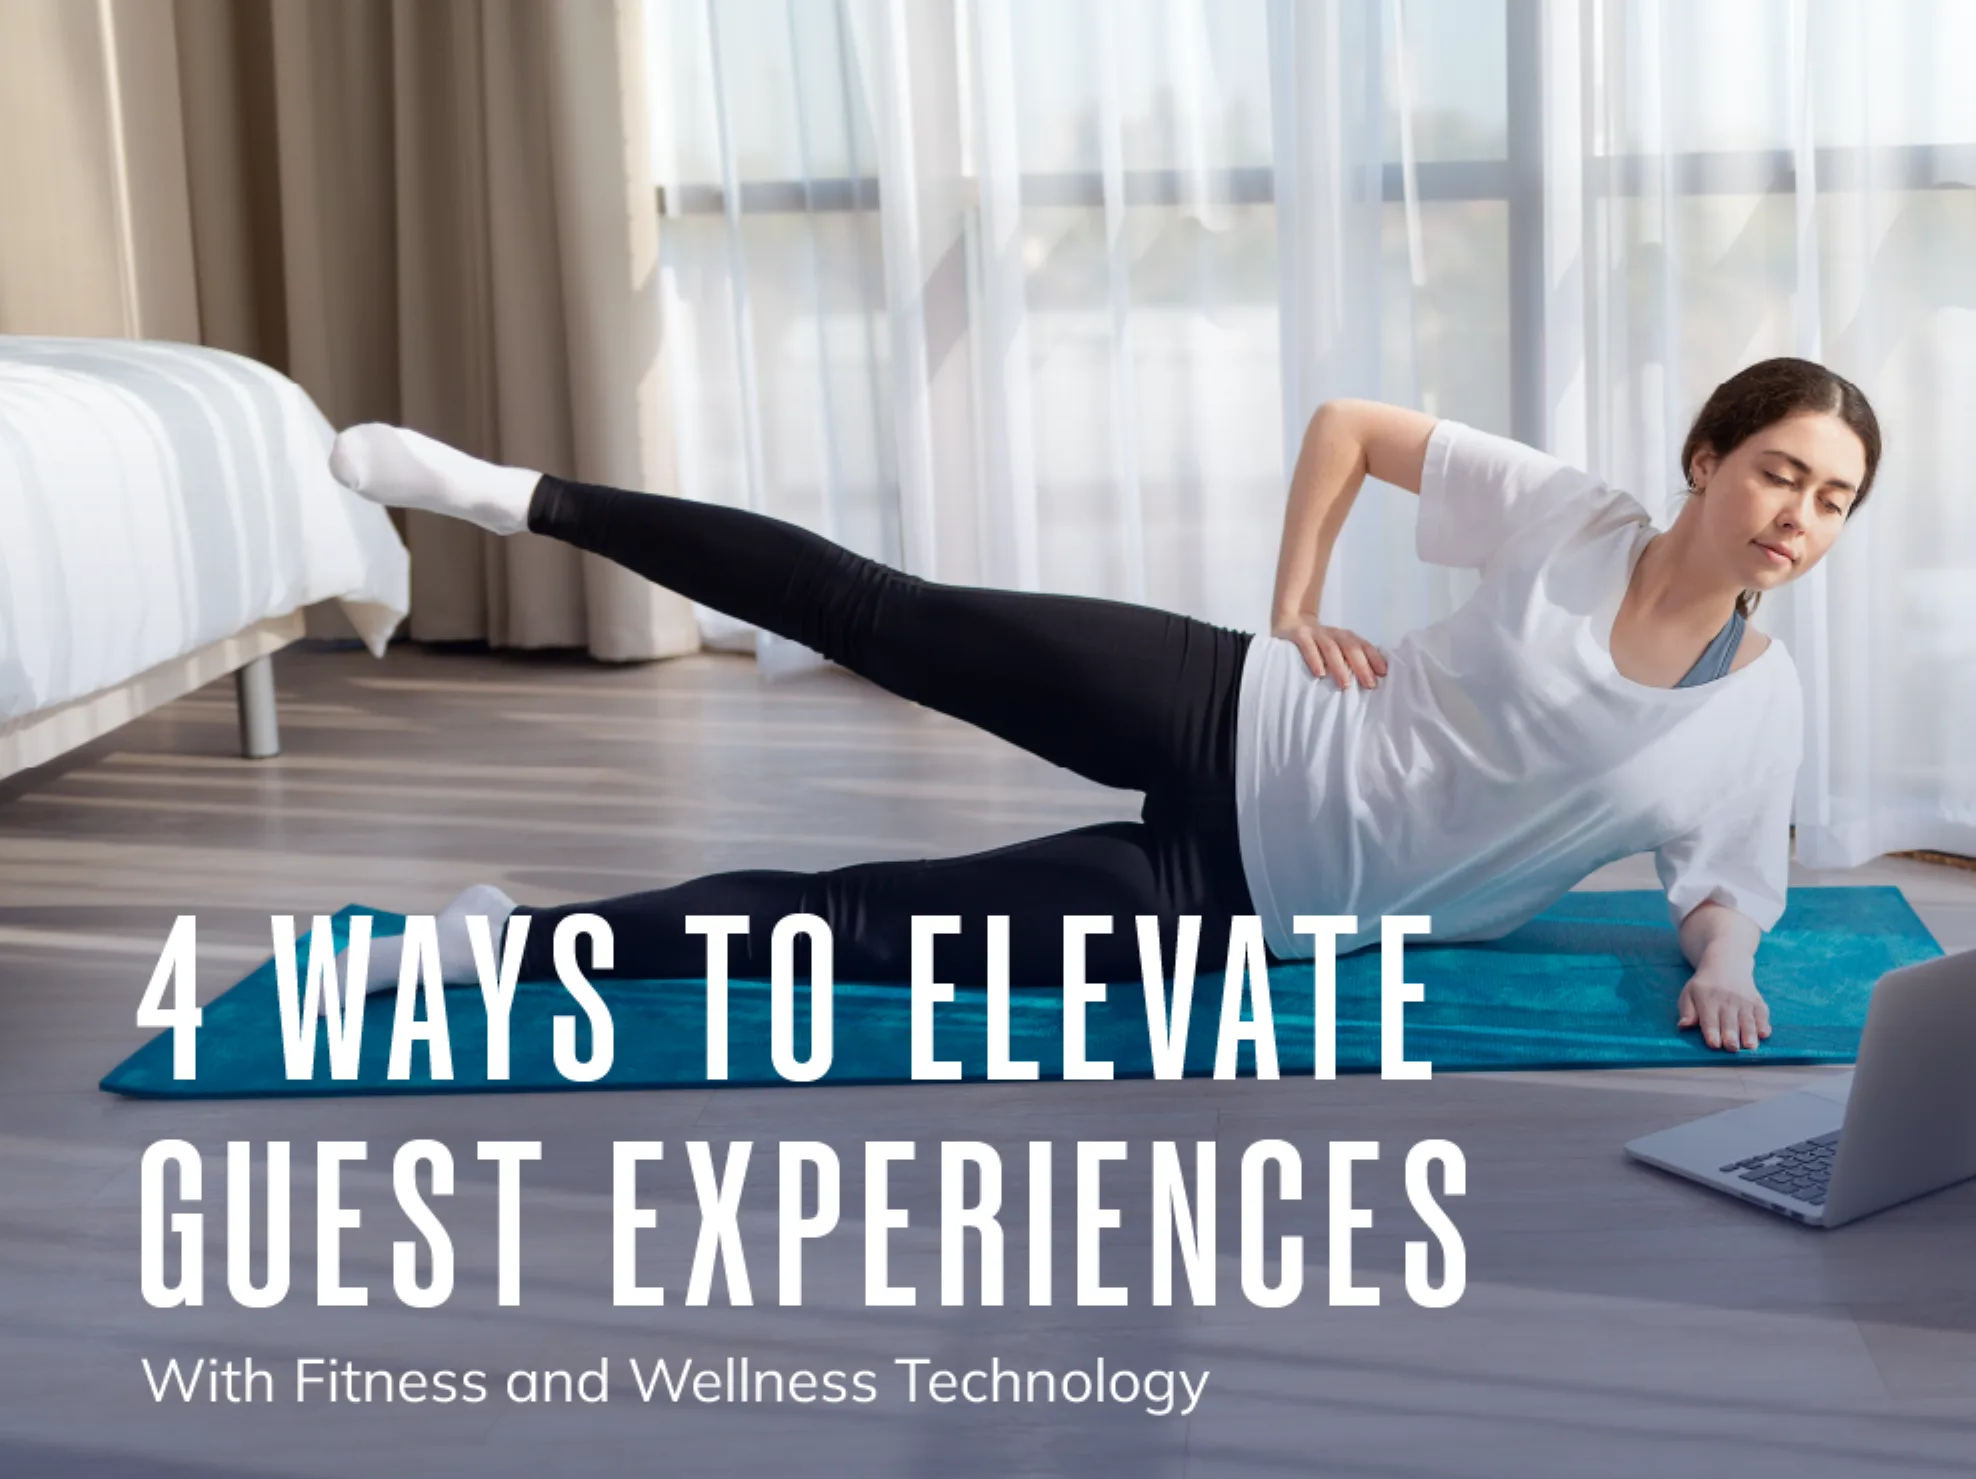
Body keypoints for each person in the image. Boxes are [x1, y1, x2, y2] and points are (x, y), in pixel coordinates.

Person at [326, 356, 1877, 1054]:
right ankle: (508, 496)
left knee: (852, 924)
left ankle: (500, 939)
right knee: (884, 616)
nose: (1795, 513)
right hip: (1236, 711)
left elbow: (1721, 884)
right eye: (1777, 470)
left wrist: (1727, 967)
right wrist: (1294, 610)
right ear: (1707, 462)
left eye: (1831, 500)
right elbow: (1350, 424)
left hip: (1237, 901)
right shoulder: (1572, 516)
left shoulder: (1755, 703)